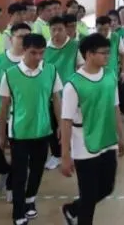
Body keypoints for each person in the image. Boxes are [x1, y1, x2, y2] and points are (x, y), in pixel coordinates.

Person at [0, 34, 64, 225]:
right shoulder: (10, 74)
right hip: (19, 133)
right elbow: (4, 107)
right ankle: (18, 212)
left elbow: (56, 99)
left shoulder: (51, 71)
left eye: (41, 53)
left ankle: (30, 200)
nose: (38, 57)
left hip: (43, 131)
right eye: (33, 53)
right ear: (24, 50)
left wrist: (60, 125)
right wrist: (1, 134)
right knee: (19, 174)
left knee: (37, 171)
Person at [60, 33, 124, 225]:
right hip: (84, 146)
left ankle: (72, 209)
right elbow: (66, 121)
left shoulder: (110, 75)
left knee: (107, 188)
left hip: (108, 141)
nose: (107, 56)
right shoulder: (73, 85)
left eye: (108, 52)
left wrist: (120, 137)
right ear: (89, 54)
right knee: (88, 197)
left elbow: (115, 107)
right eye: (103, 53)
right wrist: (65, 155)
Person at [0, 22, 31, 201]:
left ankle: (12, 186)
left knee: (20, 155)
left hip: (22, 117)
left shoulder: (34, 61)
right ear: (11, 39)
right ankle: (5, 171)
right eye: (20, 36)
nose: (24, 40)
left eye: (27, 37)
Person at [44, 15, 78, 170]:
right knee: (54, 125)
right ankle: (56, 155)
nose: (56, 33)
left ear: (66, 30)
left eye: (60, 29)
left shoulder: (75, 46)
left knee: (73, 123)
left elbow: (81, 67)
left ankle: (74, 151)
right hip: (51, 94)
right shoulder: (45, 48)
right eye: (53, 30)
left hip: (71, 93)